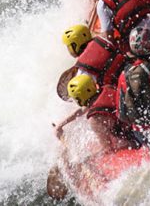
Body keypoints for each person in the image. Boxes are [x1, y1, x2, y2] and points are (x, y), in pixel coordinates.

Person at [55, 24, 135, 152]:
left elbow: (87, 103)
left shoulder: (84, 73)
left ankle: (116, 145)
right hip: (130, 72)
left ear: (74, 46)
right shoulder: (102, 39)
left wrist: (63, 123)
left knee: (97, 119)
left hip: (122, 90)